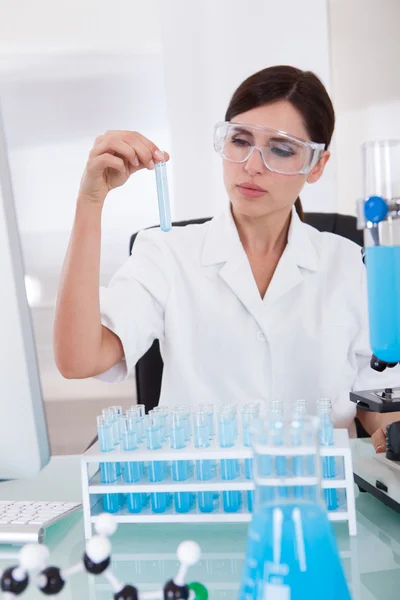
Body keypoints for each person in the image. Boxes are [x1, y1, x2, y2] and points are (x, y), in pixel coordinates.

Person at [54, 65, 400, 451]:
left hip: (319, 493)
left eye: (281, 149)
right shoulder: (167, 253)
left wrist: (392, 429)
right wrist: (90, 202)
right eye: (240, 140)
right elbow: (79, 360)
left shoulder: (350, 264)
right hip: (200, 493)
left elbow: (378, 398)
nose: (252, 165)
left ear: (316, 165)